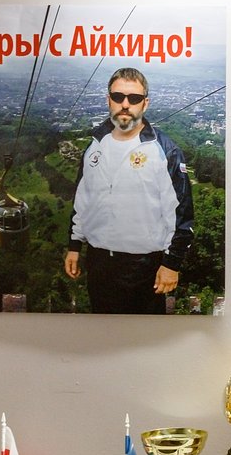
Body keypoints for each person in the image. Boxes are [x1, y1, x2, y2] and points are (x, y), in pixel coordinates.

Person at [64, 67, 194, 314]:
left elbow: (182, 214)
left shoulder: (165, 151)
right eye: (118, 97)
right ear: (108, 100)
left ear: (145, 103)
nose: (125, 104)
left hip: (144, 267)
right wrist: (74, 246)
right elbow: (83, 201)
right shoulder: (95, 145)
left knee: (145, 334)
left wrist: (172, 264)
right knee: (103, 332)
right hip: (99, 262)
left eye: (134, 98)